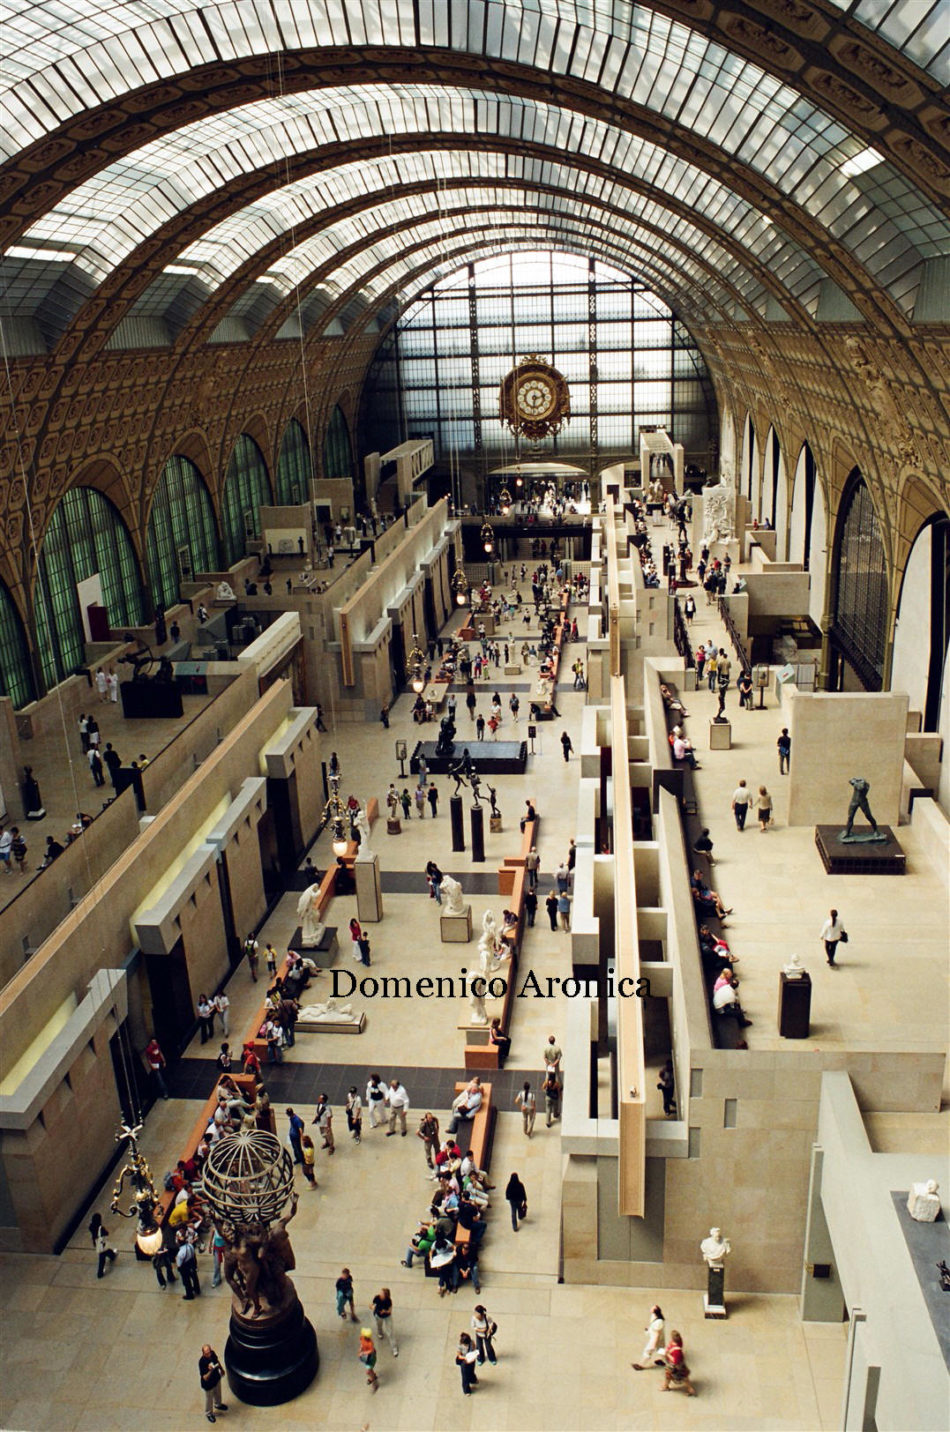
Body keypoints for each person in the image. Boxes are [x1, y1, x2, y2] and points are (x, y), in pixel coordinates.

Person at [198, 1345, 228, 1423]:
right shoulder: (202, 1362)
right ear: (203, 1353)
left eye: (210, 1352)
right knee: (209, 1399)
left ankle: (218, 1404)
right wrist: (210, 1370)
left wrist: (221, 1369)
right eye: (207, 1353)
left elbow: (217, 1361)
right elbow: (205, 1377)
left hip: (216, 1378)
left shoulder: (212, 1354)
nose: (209, 1355)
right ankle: (209, 1413)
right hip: (208, 1384)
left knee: (218, 1393)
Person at [661, 1330, 696, 1395]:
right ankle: (690, 1389)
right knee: (684, 1377)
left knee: (670, 1376)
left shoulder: (677, 1351)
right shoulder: (678, 1343)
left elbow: (675, 1361)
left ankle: (665, 1387)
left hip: (675, 1366)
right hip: (679, 1365)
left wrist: (668, 1354)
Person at [632, 1304, 666, 1370]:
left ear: (654, 1311)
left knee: (647, 1352)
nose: (651, 1308)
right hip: (657, 1338)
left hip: (655, 1340)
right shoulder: (654, 1316)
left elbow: (657, 1335)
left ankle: (641, 1365)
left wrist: (653, 1345)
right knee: (661, 1349)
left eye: (652, 1308)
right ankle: (663, 1360)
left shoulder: (659, 1322)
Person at [89, 1213, 117, 1278]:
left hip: (96, 1243)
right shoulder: (100, 1228)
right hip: (102, 1244)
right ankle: (100, 1273)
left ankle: (112, 1255)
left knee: (106, 1252)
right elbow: (106, 1233)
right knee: (103, 1257)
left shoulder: (91, 1227)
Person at [372, 1287, 398, 1356]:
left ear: (385, 1295)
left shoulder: (388, 1301)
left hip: (387, 1316)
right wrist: (373, 1307)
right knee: (379, 1325)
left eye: (382, 1293)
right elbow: (373, 1304)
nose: (380, 1294)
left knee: (390, 1332)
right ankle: (380, 1332)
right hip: (378, 1315)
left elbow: (390, 1311)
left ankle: (394, 1348)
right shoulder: (377, 1298)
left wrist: (385, 1311)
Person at [358, 1328, 379, 1392]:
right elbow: (361, 1343)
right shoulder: (362, 1337)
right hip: (366, 1358)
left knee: (368, 1371)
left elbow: (371, 1351)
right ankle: (373, 1377)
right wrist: (361, 1348)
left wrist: (363, 1353)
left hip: (370, 1358)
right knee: (370, 1371)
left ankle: (374, 1384)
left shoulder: (370, 1343)